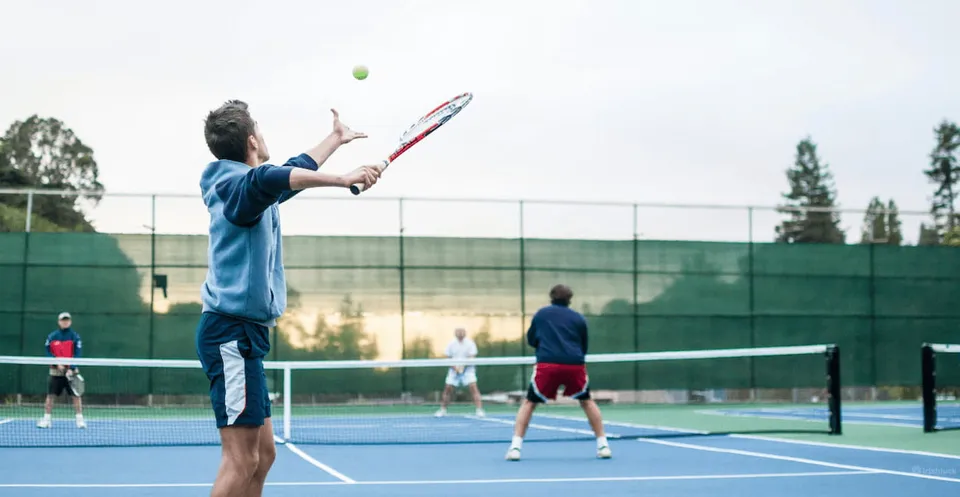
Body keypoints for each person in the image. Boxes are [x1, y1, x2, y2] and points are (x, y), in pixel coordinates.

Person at [195, 100, 382, 497]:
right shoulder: (237, 187)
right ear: (251, 140)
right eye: (260, 130)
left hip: (247, 335)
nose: (264, 136)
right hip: (230, 334)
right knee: (240, 459)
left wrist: (334, 140)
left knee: (263, 455)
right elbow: (270, 178)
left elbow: (286, 172)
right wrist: (342, 178)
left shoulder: (249, 189)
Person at [505, 284, 611, 461]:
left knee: (529, 403)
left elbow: (531, 340)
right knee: (587, 401)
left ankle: (515, 448)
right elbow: (583, 346)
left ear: (551, 297)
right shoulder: (579, 318)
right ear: (570, 299)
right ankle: (603, 445)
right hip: (574, 364)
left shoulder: (541, 315)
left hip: (548, 365)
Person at [37, 312, 85, 429]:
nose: (65, 322)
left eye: (67, 320)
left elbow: (78, 354)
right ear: (59, 322)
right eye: (63, 320)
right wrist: (56, 363)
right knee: (50, 396)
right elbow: (48, 353)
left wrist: (71, 368)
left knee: (76, 396)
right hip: (55, 372)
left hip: (71, 372)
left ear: (70, 322)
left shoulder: (75, 336)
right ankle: (47, 420)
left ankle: (80, 421)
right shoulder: (52, 336)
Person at [435, 327, 485, 417]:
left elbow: (472, 357)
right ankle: (442, 410)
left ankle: (479, 410)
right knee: (448, 389)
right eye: (458, 332)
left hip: (468, 370)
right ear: (455, 333)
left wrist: (463, 367)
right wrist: (456, 368)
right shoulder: (451, 344)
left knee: (473, 387)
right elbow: (448, 358)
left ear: (465, 333)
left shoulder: (470, 343)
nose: (460, 334)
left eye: (462, 332)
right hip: (454, 371)